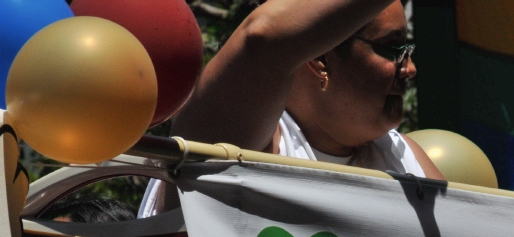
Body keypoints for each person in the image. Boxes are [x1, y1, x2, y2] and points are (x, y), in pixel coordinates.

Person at [140, 0, 443, 215]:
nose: (410, 68)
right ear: (320, 58)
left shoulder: (407, 158)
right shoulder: (246, 144)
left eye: (408, 49)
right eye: (393, 49)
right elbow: (263, 39)